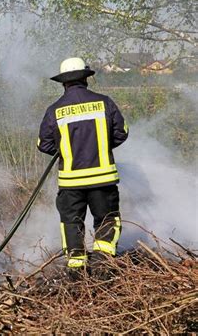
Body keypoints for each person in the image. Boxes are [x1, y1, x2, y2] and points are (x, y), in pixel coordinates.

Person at [37, 57, 129, 279]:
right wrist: (101, 146)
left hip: (71, 182)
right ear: (86, 79)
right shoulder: (104, 103)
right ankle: (103, 265)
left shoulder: (55, 110)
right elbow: (122, 132)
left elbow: (43, 144)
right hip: (103, 179)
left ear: (64, 83)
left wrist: (69, 151)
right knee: (107, 219)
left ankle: (77, 275)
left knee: (71, 222)